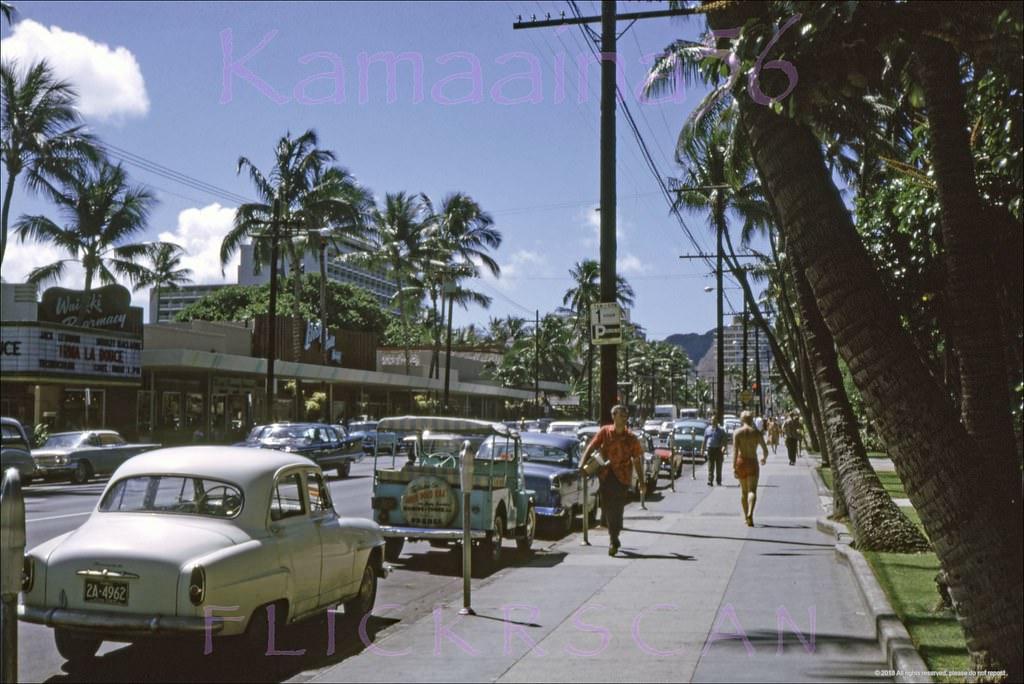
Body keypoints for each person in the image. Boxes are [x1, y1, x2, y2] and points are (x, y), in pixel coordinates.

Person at [579, 405, 644, 556]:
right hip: (606, 474)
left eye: (626, 415)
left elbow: (637, 460)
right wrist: (582, 463)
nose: (624, 418)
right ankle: (613, 537)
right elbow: (591, 446)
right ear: (613, 416)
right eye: (621, 415)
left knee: (618, 508)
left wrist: (641, 481)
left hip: (623, 477)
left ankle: (613, 538)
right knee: (607, 507)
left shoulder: (631, 438)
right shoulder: (605, 432)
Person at [733, 411, 769, 526]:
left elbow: (734, 451)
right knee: (752, 490)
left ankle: (745, 517)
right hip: (752, 462)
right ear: (751, 419)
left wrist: (734, 466)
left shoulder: (737, 433)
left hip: (741, 461)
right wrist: (764, 458)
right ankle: (750, 514)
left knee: (743, 491)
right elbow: (765, 450)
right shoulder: (756, 433)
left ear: (742, 420)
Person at [701, 414, 728, 486]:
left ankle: (718, 481)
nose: (713, 421)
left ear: (717, 421)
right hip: (710, 450)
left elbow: (725, 440)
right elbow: (704, 440)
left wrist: (724, 448)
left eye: (715, 420)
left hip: (718, 450)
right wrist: (702, 449)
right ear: (710, 421)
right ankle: (710, 480)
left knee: (719, 466)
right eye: (712, 420)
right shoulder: (707, 429)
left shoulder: (721, 430)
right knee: (710, 466)